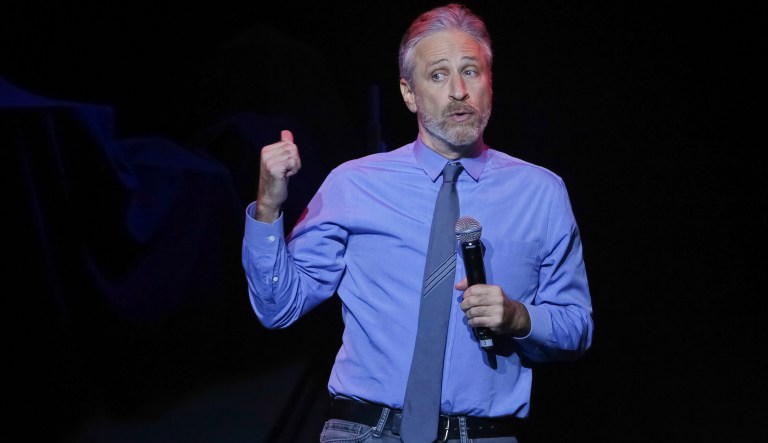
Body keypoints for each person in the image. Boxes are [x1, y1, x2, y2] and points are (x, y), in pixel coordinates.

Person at [241, 3, 593, 442]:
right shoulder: (354, 184)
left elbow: (576, 327)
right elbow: (278, 306)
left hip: (483, 434)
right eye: (439, 75)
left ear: (490, 83)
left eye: (472, 71)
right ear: (409, 93)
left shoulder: (541, 192)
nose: (459, 91)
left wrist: (519, 317)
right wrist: (269, 207)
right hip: (365, 430)